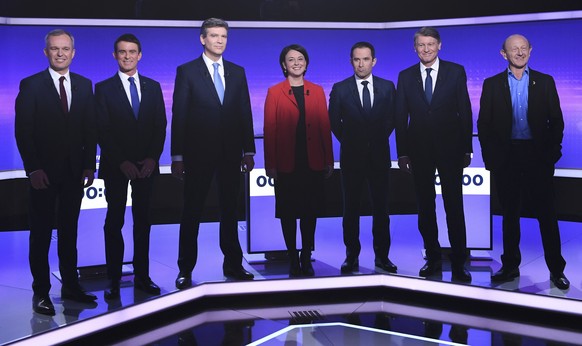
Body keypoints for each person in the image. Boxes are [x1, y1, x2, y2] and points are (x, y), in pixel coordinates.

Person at [15, 29, 98, 316]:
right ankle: (41, 293)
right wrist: (33, 168)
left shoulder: (86, 85)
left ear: (73, 53)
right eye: (54, 48)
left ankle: (71, 287)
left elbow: (90, 128)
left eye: (65, 48)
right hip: (43, 175)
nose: (60, 53)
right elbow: (23, 132)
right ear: (46, 52)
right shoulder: (31, 85)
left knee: (69, 232)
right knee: (40, 234)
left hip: (75, 173)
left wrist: (90, 164)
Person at [477, 34, 569, 290]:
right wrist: (491, 158)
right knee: (510, 216)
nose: (519, 53)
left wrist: (552, 154)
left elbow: (557, 122)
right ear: (503, 54)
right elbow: (484, 125)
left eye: (523, 48)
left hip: (538, 157)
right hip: (506, 159)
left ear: (530, 50)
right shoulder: (492, 84)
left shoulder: (546, 82)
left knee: (547, 217)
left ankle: (556, 270)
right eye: (513, 49)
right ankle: (510, 267)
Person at [171, 18, 256, 289]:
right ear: (202, 39)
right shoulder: (187, 72)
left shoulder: (237, 71)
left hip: (231, 154)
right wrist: (177, 156)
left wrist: (249, 149)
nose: (220, 41)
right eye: (214, 36)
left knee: (230, 212)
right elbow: (179, 115)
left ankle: (233, 263)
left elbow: (245, 112)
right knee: (191, 212)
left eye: (223, 36)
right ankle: (185, 269)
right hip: (197, 155)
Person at [395, 26, 473, 282]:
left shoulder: (455, 71)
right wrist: (403, 152)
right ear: (414, 48)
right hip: (418, 151)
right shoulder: (405, 76)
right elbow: (400, 117)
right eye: (421, 45)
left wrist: (467, 147)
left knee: (454, 205)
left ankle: (460, 261)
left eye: (430, 44)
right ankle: (433, 258)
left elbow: (465, 110)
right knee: (425, 207)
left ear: (439, 45)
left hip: (451, 149)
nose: (426, 49)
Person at [95, 33, 167, 299]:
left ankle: (142, 277)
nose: (127, 56)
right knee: (114, 222)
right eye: (122, 52)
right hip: (116, 167)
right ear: (115, 55)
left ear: (140, 55)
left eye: (132, 52)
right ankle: (113, 280)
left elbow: (160, 125)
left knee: (143, 223)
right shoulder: (102, 88)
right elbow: (102, 129)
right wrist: (121, 161)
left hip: (147, 166)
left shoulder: (153, 86)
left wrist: (152, 158)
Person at [263, 44, 334, 277]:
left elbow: (324, 126)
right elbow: (270, 129)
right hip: (286, 163)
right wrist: (270, 164)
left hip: (312, 162)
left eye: (300, 58)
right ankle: (292, 256)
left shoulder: (317, 90)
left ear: (306, 63)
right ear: (284, 65)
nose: (296, 63)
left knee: (309, 212)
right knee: (288, 212)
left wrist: (329, 160)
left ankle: (306, 255)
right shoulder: (274, 92)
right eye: (291, 59)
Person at [329, 42, 397, 274]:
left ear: (373, 61)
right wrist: (352, 141)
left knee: (381, 209)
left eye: (366, 59)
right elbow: (333, 122)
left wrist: (374, 139)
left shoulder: (388, 87)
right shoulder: (340, 88)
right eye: (357, 59)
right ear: (351, 62)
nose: (361, 63)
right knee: (351, 210)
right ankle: (351, 257)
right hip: (352, 157)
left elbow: (392, 119)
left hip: (379, 156)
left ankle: (382, 257)